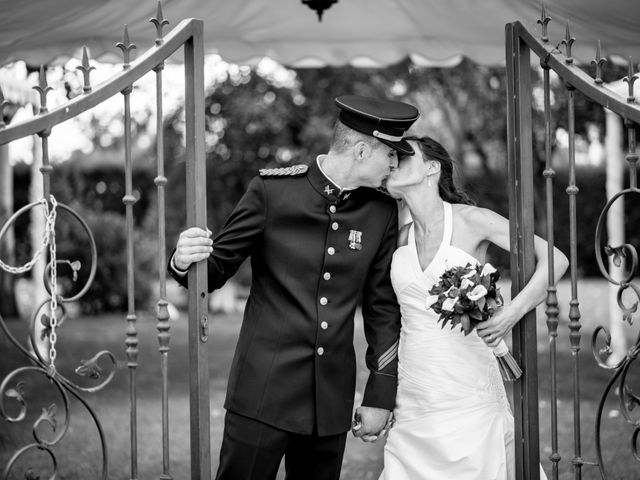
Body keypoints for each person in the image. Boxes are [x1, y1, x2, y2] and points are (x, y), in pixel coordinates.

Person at [168, 95, 420, 480]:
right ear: (362, 149)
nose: (394, 163)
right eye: (390, 154)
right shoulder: (272, 192)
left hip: (329, 404)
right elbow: (215, 270)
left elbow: (382, 308)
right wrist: (183, 260)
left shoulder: (381, 211)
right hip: (261, 393)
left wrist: (380, 394)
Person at [379, 136, 569, 479]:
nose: (393, 161)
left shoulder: (473, 220)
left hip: (467, 382)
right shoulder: (397, 237)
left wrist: (512, 312)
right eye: (391, 156)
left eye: (404, 156)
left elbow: (555, 259)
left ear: (431, 169)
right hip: (414, 389)